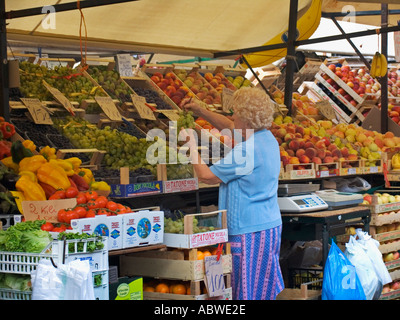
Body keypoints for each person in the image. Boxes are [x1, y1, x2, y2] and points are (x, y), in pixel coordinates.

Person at [180, 87, 284, 300]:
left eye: (236, 115)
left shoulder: (247, 150)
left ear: (246, 121)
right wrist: (200, 111)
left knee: (244, 293)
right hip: (268, 226)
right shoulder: (267, 138)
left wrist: (191, 144)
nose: (232, 119)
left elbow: (206, 176)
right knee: (261, 290)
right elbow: (228, 126)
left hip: (247, 232)